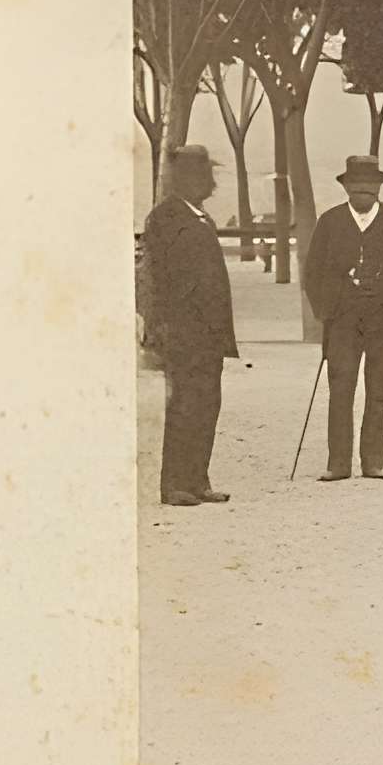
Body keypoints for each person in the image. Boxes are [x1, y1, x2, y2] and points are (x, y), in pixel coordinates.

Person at [302, 155, 383, 482]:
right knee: (340, 388)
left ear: (378, 188)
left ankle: (372, 461)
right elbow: (312, 272)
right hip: (343, 321)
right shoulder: (330, 222)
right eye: (356, 189)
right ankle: (339, 464)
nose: (363, 194)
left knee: (378, 390)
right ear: (346, 187)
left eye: (369, 189)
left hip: (382, 322)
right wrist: (327, 308)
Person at [141, 143, 237, 507]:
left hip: (209, 334)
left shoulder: (201, 217)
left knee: (207, 404)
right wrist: (160, 327)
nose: (209, 183)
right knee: (183, 406)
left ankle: (198, 479)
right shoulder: (165, 217)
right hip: (182, 331)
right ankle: (174, 485)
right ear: (186, 179)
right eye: (201, 175)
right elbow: (156, 278)